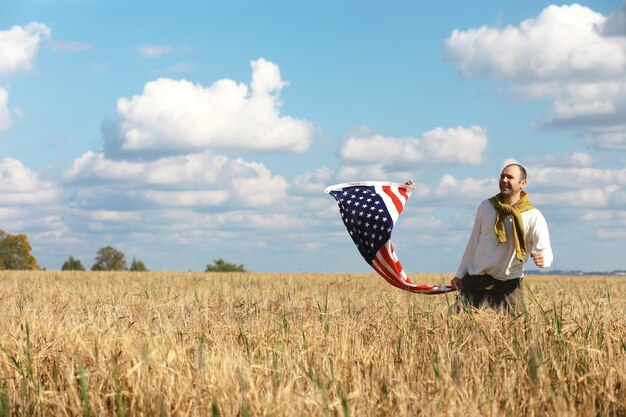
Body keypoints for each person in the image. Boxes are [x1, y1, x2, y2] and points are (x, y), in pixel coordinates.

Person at [451, 163, 553, 314]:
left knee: (518, 331)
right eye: (502, 176)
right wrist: (460, 274)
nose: (504, 180)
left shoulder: (533, 216)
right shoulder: (486, 206)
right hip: (477, 279)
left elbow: (545, 250)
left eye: (510, 177)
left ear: (522, 183)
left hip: (508, 284)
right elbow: (473, 243)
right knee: (454, 324)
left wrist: (543, 259)